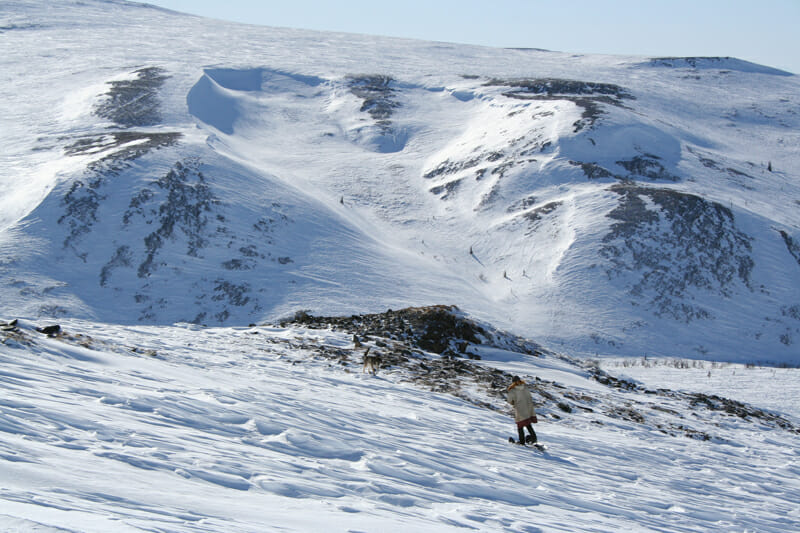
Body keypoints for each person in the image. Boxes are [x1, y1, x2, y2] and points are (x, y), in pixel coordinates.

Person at [506, 376, 538, 444]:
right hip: (528, 408)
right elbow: (530, 397)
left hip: (520, 409)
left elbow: (509, 400)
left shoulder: (513, 390)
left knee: (520, 425)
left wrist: (513, 403)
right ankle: (534, 439)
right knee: (528, 424)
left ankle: (522, 441)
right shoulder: (525, 387)